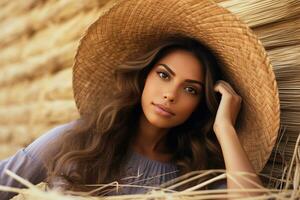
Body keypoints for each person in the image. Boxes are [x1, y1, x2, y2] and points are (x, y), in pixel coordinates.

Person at [0, 0, 281, 199]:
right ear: (144, 77)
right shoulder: (78, 141)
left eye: (191, 89)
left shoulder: (196, 176)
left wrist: (225, 128)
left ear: (202, 104)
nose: (170, 94)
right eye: (163, 75)